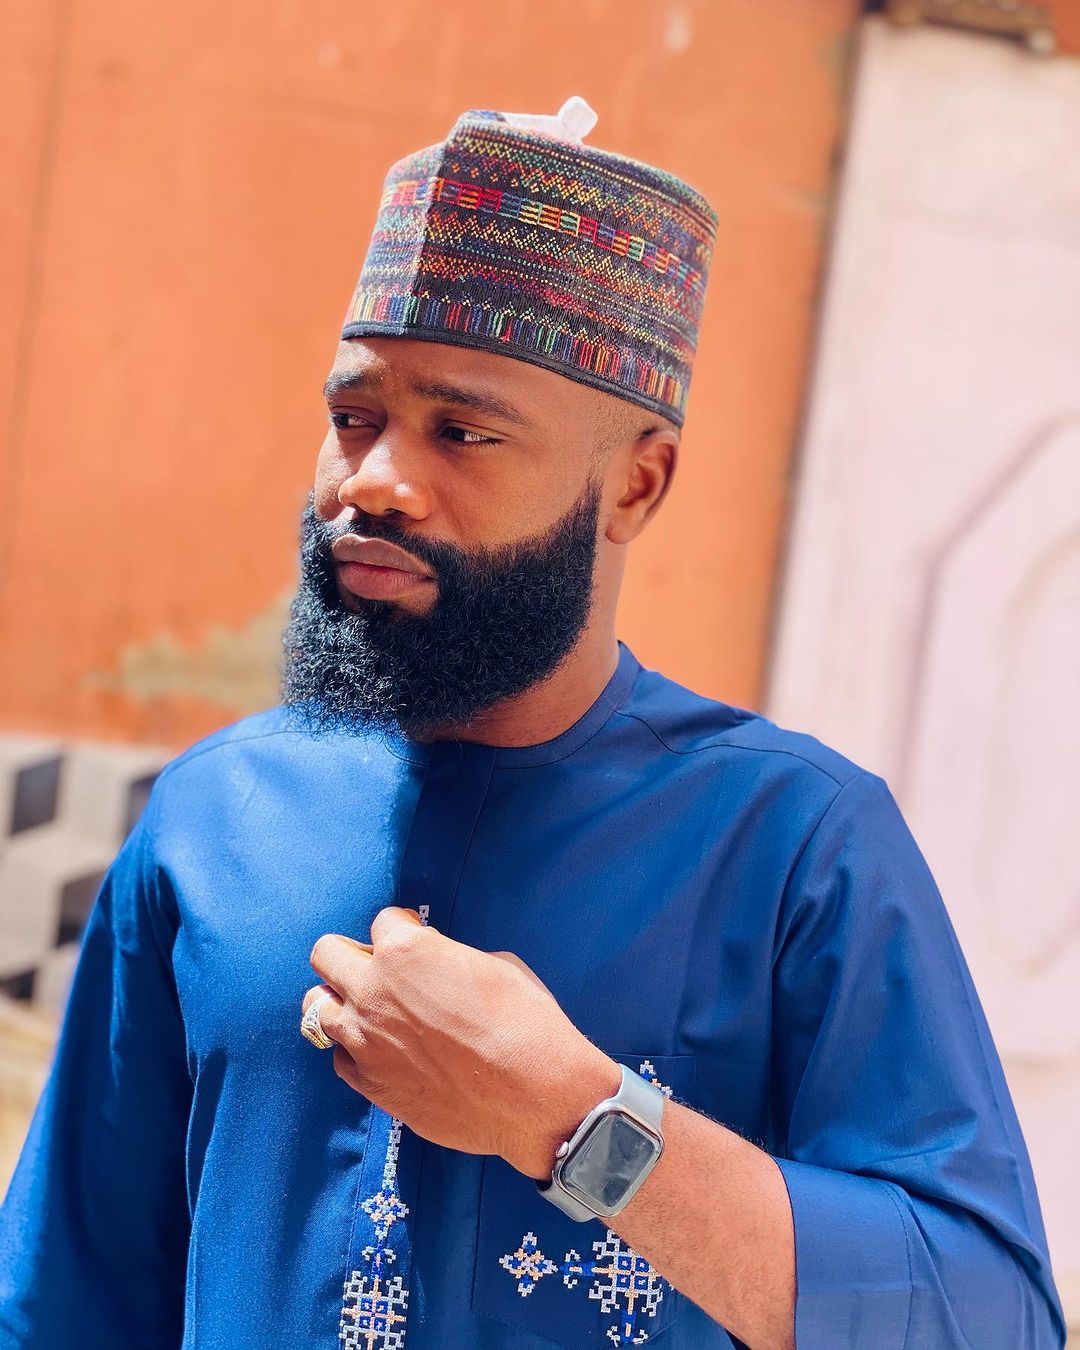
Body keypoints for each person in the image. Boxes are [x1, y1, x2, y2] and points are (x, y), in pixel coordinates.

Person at [0, 97, 1065, 1350]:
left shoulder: (794, 844)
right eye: (354, 419)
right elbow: (63, 1299)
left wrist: (568, 1117)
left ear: (635, 484)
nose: (375, 481)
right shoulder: (212, 817)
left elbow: (987, 1318)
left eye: (462, 431)